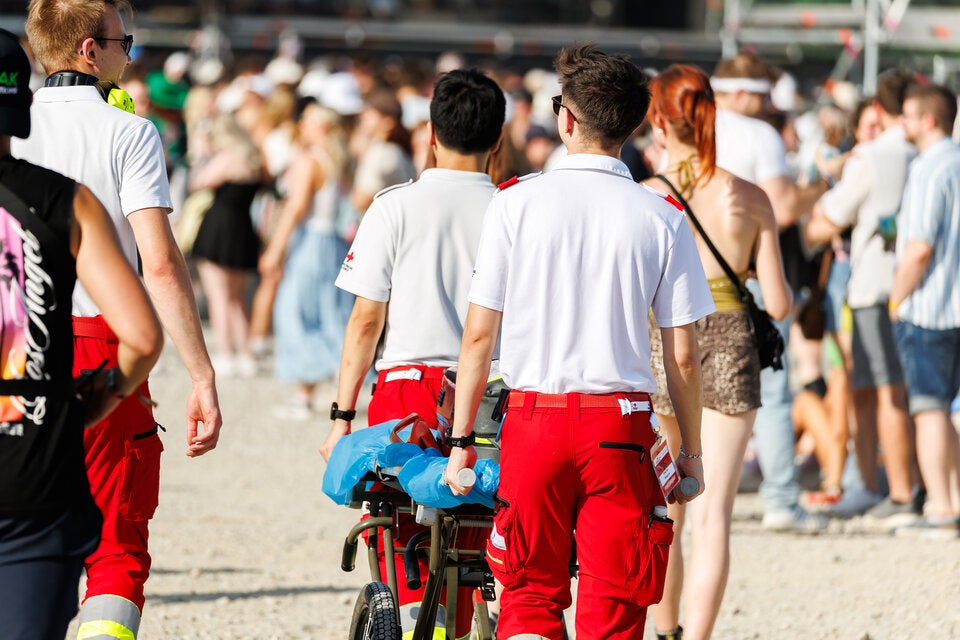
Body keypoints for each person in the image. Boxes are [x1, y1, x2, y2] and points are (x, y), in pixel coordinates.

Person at [443, 44, 712, 640]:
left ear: (566, 118)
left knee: (527, 593)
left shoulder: (513, 203)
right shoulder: (662, 215)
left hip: (535, 418)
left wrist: (462, 441)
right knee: (616, 602)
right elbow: (684, 355)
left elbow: (479, 335)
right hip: (621, 428)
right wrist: (690, 454)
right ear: (635, 123)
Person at [13, 1, 224, 637]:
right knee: (115, 540)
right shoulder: (126, 132)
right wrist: (201, 373)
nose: (129, 55)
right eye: (123, 42)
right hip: (101, 341)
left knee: (16, 529)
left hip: (12, 342)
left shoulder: (12, 128)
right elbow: (158, 264)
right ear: (89, 50)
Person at [321, 68, 506, 639]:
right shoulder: (512, 208)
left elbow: (365, 321)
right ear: (498, 139)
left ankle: (407, 620)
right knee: (472, 522)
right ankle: (458, 618)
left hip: (409, 384)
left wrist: (342, 416)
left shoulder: (393, 206)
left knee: (396, 523)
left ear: (430, 132)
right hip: (493, 390)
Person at [0, 28, 162, 639]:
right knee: (107, 553)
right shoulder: (62, 199)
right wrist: (99, 401)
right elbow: (143, 334)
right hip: (39, 424)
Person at [643, 64, 791, 640]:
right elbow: (777, 302)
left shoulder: (647, 196)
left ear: (658, 119)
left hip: (665, 338)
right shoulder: (748, 196)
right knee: (714, 515)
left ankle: (664, 629)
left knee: (665, 507)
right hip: (732, 341)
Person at [711, 52, 826, 533]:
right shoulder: (759, 135)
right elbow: (779, 208)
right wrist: (817, 189)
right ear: (741, 93)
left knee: (697, 391)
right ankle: (781, 498)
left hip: (697, 277)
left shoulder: (694, 128)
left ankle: (699, 497)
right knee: (774, 390)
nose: (766, 107)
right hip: (754, 274)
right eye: (761, 97)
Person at [805, 69, 919, 529]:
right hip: (917, 287)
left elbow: (829, 218)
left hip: (874, 284)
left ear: (878, 108)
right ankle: (895, 485)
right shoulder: (925, 154)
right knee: (898, 391)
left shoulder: (872, 155)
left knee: (878, 390)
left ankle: (888, 489)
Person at [890, 83, 960, 537]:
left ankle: (941, 506)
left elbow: (918, 248)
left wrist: (897, 298)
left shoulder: (929, 169)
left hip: (931, 308)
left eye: (909, 116)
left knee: (930, 410)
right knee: (950, 412)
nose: (903, 124)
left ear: (928, 121)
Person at [261, 100, 353, 419]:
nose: (302, 125)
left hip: (312, 241)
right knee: (329, 313)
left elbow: (296, 206)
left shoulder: (309, 160)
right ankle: (333, 388)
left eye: (310, 121)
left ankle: (304, 392)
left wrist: (275, 248)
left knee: (296, 311)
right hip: (332, 243)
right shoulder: (335, 159)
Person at [189, 112, 264, 378]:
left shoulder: (227, 159)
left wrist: (200, 155)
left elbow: (197, 183)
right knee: (237, 298)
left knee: (218, 296)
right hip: (243, 229)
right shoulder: (253, 158)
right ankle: (245, 353)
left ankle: (226, 354)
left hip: (219, 229)